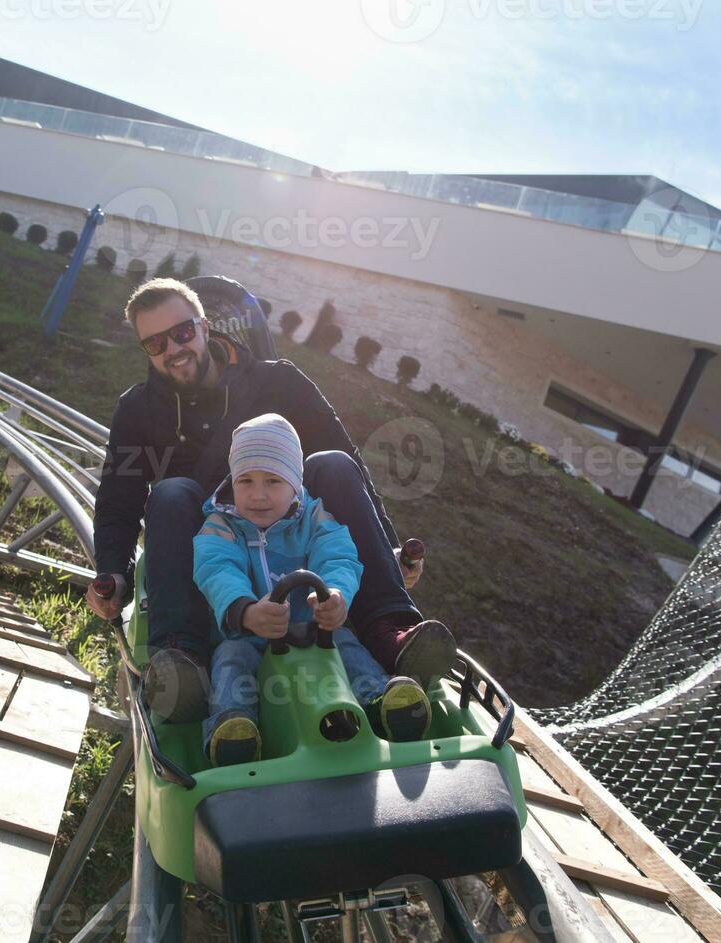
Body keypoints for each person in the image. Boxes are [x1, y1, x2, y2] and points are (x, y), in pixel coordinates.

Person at [86, 277, 456, 722]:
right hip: (213, 549)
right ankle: (183, 661)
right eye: (155, 343)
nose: (173, 349)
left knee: (334, 462)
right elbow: (118, 501)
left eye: (182, 332)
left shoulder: (279, 382)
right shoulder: (138, 409)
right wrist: (112, 570)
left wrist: (390, 548)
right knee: (170, 492)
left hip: (293, 535)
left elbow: (349, 466)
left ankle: (389, 630)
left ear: (204, 327)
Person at [193, 414, 432, 766]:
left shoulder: (315, 518)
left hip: (315, 631)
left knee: (348, 647)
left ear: (294, 482)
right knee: (230, 661)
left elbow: (339, 556)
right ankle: (232, 727)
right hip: (252, 634)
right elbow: (215, 568)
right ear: (233, 481)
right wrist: (244, 611)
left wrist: (337, 594)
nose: (258, 495)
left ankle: (382, 701)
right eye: (245, 481)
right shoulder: (222, 525)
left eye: (273, 480)